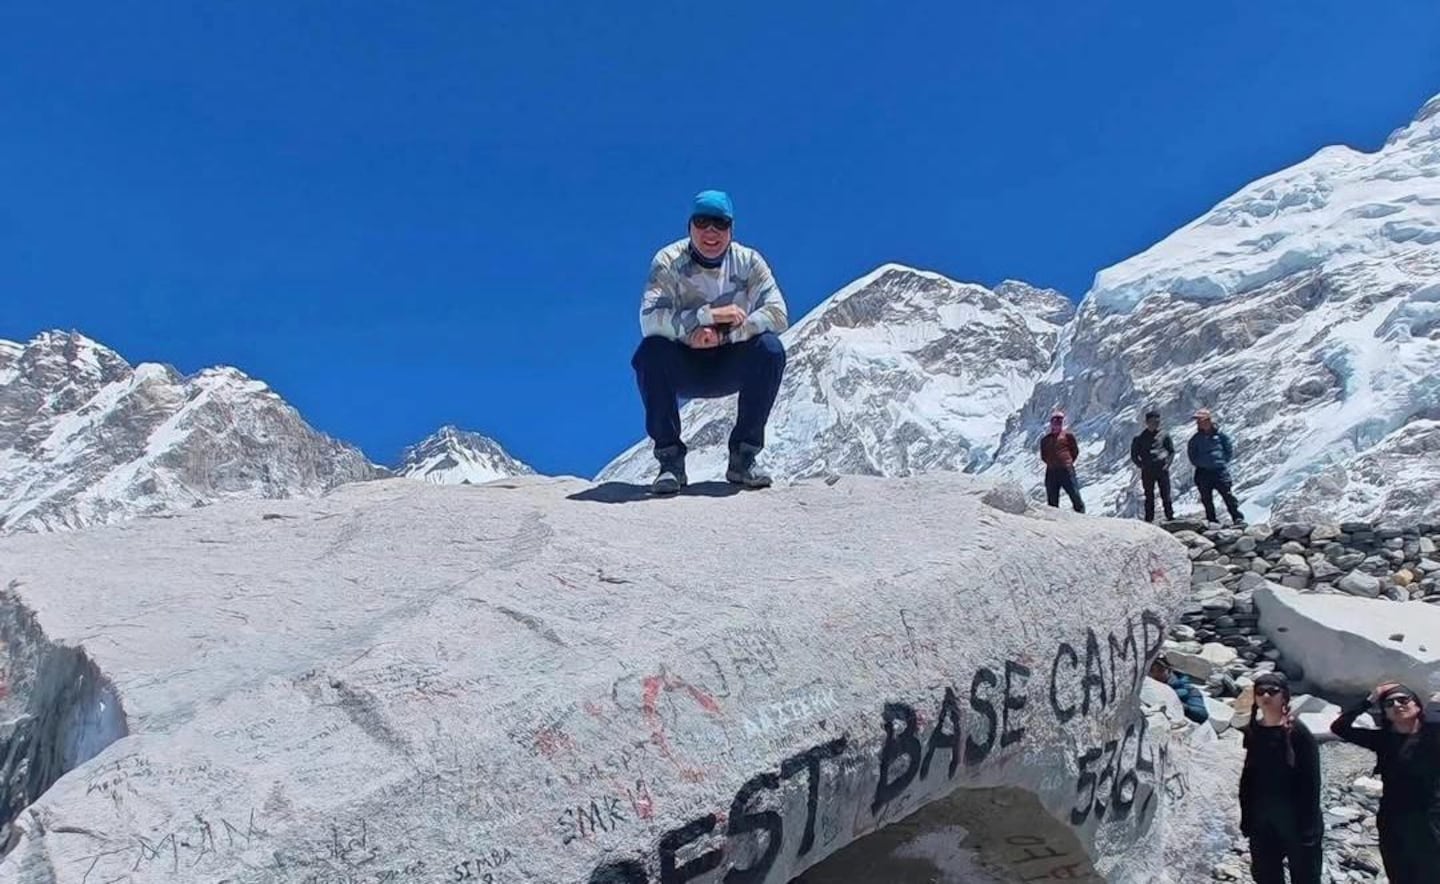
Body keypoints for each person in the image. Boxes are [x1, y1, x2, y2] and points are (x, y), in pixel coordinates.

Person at [632, 190, 789, 494]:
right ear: (689, 226)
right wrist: (702, 321)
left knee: (770, 349)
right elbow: (649, 318)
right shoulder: (667, 260)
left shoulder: (749, 262)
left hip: (731, 360)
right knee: (650, 352)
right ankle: (670, 463)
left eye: (720, 223)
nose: (711, 232)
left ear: (731, 228)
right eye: (702, 222)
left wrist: (724, 334)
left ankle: (744, 458)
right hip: (684, 362)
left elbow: (778, 313)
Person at [1331, 682, 1440, 883]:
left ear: (1417, 706)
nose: (1397, 705)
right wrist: (1370, 699)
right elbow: (1339, 727)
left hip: (1429, 822)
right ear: (1385, 713)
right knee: (1399, 875)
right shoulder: (1383, 739)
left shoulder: (1433, 735)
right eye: (1389, 703)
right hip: (1392, 822)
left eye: (1403, 699)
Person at [1238, 672, 1322, 884]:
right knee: (1265, 875)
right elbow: (1247, 779)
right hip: (1262, 818)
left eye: (1272, 691)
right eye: (1260, 692)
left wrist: (1309, 827)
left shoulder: (1298, 733)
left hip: (1296, 818)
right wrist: (1246, 817)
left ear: (1284, 696)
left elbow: (1312, 781)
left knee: (1305, 877)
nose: (1266, 695)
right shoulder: (1252, 732)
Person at [1186, 408, 1245, 525]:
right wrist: (1200, 463)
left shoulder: (1221, 436)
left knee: (1227, 495)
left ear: (1208, 420)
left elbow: (1228, 449)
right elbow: (1192, 454)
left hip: (1219, 471)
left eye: (1200, 420)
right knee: (1206, 498)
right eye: (1198, 421)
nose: (1198, 423)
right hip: (1203, 472)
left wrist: (1221, 461)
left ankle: (1237, 517)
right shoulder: (1195, 439)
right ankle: (1212, 520)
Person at [1130, 410, 1175, 523]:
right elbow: (1134, 455)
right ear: (1147, 422)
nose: (1155, 424)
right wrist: (1141, 465)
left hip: (1162, 469)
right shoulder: (1139, 438)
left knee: (1166, 494)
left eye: (1157, 422)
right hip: (1148, 471)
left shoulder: (1164, 435)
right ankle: (1149, 519)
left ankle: (1170, 516)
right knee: (1149, 495)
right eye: (1152, 422)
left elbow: (1171, 451)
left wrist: (1167, 464)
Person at [1039, 411, 1084, 512]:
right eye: (1054, 421)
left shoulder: (1068, 436)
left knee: (1074, 494)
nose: (1057, 423)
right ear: (1051, 423)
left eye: (1059, 421)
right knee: (1052, 499)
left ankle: (1082, 515)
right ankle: (1054, 522)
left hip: (1066, 470)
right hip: (1051, 471)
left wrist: (1067, 461)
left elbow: (1075, 451)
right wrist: (1051, 463)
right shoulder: (1045, 440)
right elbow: (1043, 455)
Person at [1148, 655, 1209, 725]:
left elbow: (1203, 715)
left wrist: (1184, 707)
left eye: (1160, 670)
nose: (1155, 674)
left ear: (1169, 670)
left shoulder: (1188, 689)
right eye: (1151, 671)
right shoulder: (1144, 687)